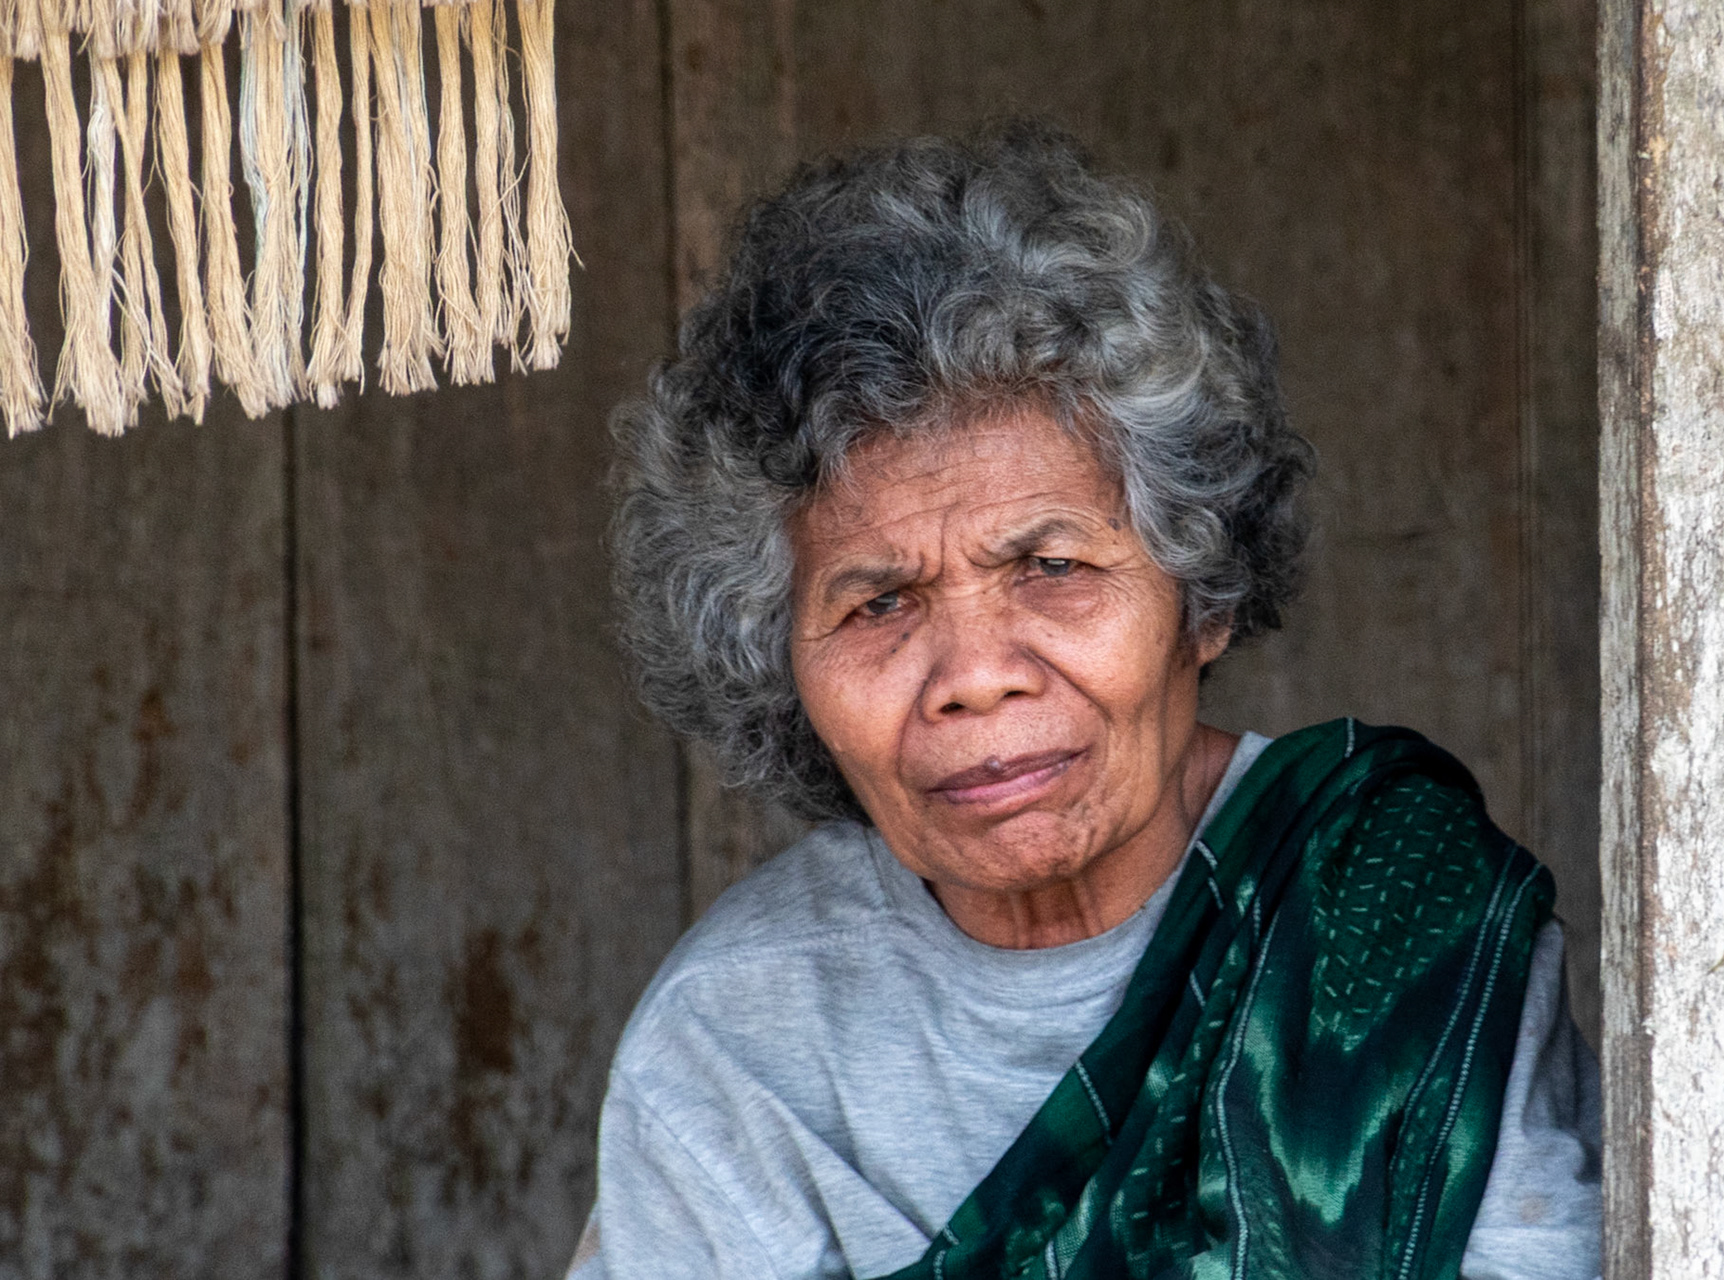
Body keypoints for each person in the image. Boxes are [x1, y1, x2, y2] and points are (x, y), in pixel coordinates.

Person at [571, 124, 1600, 1280]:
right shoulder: (739, 1046)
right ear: (782, 673)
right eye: (879, 605)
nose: (974, 672)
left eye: (1050, 568)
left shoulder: (1394, 922)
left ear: (1200, 600)